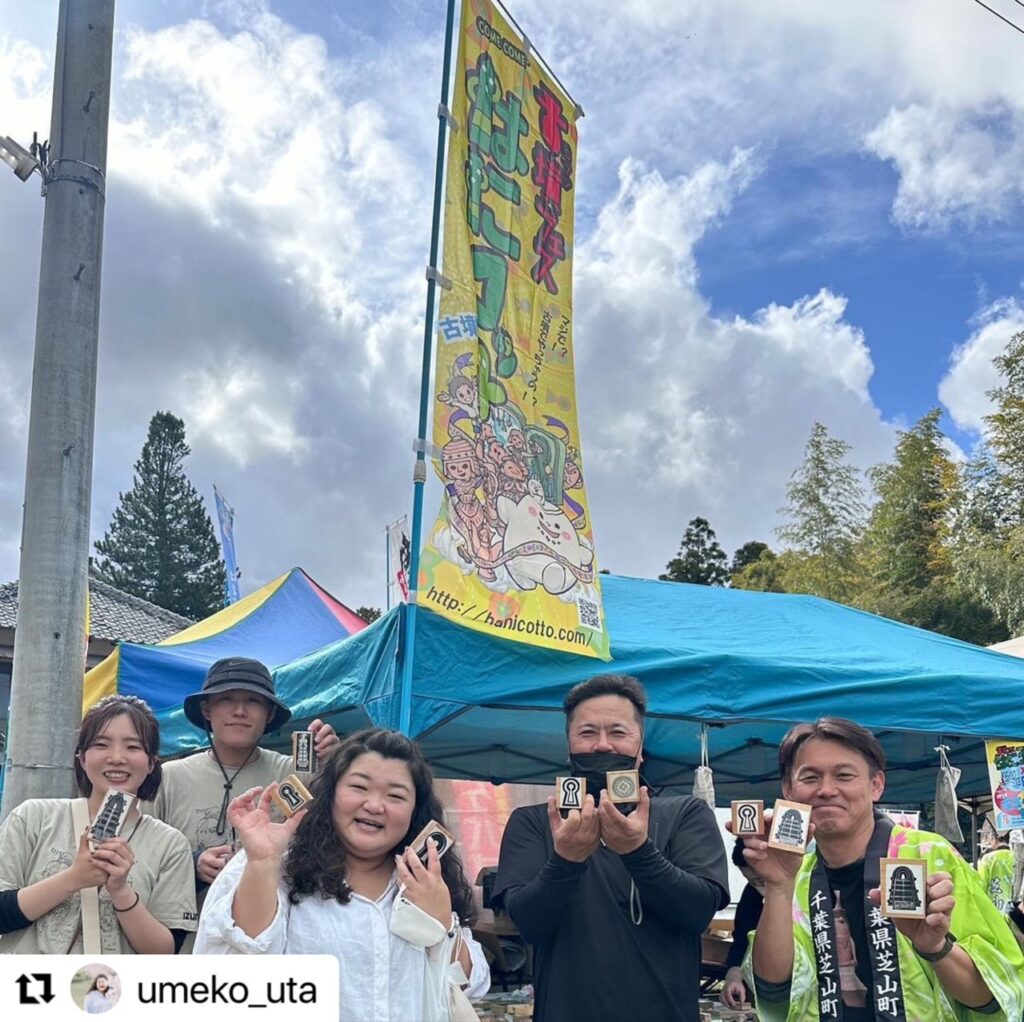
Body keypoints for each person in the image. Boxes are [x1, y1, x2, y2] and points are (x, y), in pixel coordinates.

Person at [195, 728, 490, 1020]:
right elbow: (232, 970)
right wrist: (261, 865)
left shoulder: (427, 881)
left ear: (416, 810)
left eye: (395, 796)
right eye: (359, 787)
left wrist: (442, 925)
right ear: (330, 794)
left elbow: (470, 986)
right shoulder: (278, 862)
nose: (374, 806)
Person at [741, 716, 1024, 1021]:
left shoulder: (930, 856)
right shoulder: (794, 872)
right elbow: (773, 992)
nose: (826, 790)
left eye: (844, 775)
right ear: (788, 789)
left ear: (876, 785)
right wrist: (778, 887)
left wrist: (935, 947)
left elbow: (993, 997)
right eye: (810, 777)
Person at [494, 674, 730, 1022]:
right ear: (569, 745)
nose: (602, 745)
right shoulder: (534, 821)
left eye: (618, 732)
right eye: (587, 733)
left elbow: (697, 913)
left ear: (640, 747)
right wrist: (566, 860)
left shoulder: (685, 813)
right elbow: (528, 924)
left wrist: (639, 851)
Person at [0, 694, 196, 953]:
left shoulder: (171, 845)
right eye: (101, 745)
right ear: (82, 758)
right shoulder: (32, 817)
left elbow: (164, 952)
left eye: (133, 747)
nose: (116, 757)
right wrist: (73, 878)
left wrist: (121, 891)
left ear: (151, 763)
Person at [146, 657, 340, 896]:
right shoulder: (168, 778)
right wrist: (192, 863)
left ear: (269, 714)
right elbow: (142, 851)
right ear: (206, 710)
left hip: (271, 916)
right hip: (185, 919)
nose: (239, 712)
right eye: (226, 699)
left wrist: (336, 765)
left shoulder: (294, 773)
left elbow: (333, 836)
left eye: (253, 701)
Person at [721, 838, 764, 1010]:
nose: (759, 887)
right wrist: (733, 975)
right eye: (752, 882)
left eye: (761, 880)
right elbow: (742, 939)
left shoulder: (809, 887)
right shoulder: (752, 894)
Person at [977, 836, 1016, 914]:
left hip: (994, 910)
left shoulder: (987, 859)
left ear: (994, 840)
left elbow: (981, 887)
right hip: (1016, 911)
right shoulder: (1017, 858)